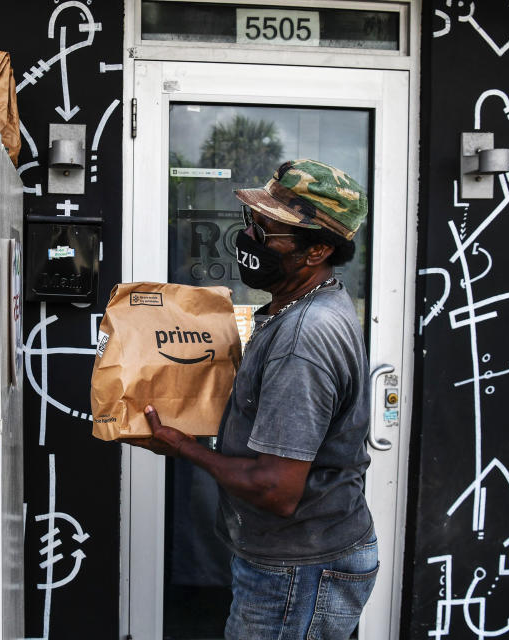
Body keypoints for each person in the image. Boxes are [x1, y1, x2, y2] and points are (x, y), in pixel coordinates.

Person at [134, 159, 378, 639]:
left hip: (297, 571)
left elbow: (276, 489)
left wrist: (182, 446)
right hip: (301, 560)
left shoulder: (304, 337)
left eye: (268, 233)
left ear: (319, 250)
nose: (249, 238)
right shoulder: (300, 304)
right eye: (251, 223)